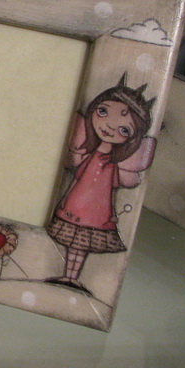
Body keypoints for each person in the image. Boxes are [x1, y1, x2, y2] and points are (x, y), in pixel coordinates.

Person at [45, 75, 155, 294]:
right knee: (75, 243)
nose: (110, 127)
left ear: (133, 139)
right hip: (76, 204)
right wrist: (64, 199)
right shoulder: (91, 155)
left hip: (96, 211)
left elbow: (111, 190)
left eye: (124, 130)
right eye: (103, 112)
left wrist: (112, 213)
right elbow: (77, 178)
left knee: (81, 244)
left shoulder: (112, 164)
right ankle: (69, 276)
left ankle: (73, 278)